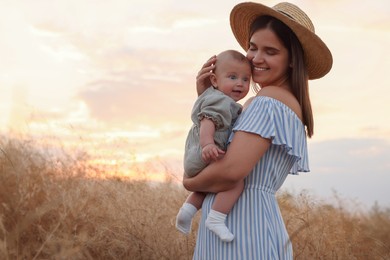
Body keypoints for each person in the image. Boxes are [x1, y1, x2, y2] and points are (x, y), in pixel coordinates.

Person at [183, 2, 332, 259]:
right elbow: (221, 148)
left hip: (244, 229)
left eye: (270, 51)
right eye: (252, 47)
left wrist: (189, 183)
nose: (255, 58)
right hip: (241, 226)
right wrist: (209, 99)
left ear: (293, 60)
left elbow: (231, 172)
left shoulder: (269, 102)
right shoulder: (272, 101)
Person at [176, 50, 251, 242]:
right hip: (205, 151)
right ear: (215, 81)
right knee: (235, 182)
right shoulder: (221, 100)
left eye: (245, 79)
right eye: (232, 77)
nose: (240, 83)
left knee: (208, 186)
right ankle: (216, 219)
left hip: (197, 155)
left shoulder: (213, 97)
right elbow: (208, 120)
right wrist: (207, 144)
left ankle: (186, 212)